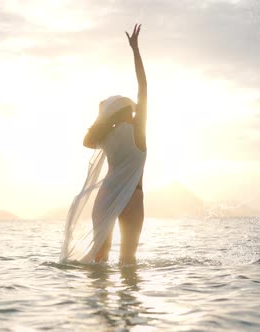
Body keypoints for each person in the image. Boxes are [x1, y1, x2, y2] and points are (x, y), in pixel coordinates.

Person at [59, 24, 147, 265]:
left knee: (99, 259)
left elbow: (87, 141)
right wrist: (136, 51)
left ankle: (97, 302)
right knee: (128, 260)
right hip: (133, 197)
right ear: (128, 111)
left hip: (106, 193)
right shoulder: (138, 131)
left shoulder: (106, 136)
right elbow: (144, 89)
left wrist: (104, 120)